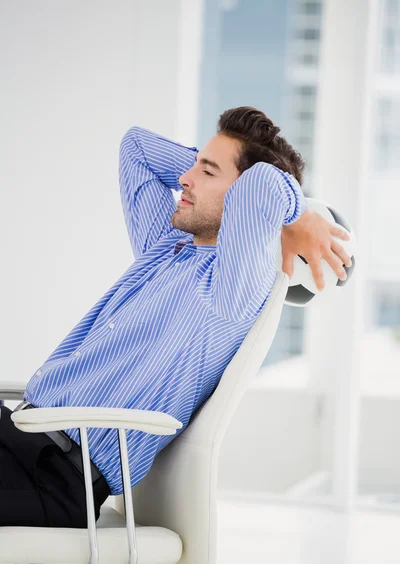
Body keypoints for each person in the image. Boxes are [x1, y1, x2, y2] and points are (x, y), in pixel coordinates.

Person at [0, 106, 352, 530]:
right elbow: (137, 148)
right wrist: (211, 172)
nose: (184, 178)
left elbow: (263, 183)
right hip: (18, 434)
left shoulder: (231, 291)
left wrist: (297, 213)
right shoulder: (165, 247)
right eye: (194, 165)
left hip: (54, 476)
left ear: (247, 205)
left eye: (207, 170)